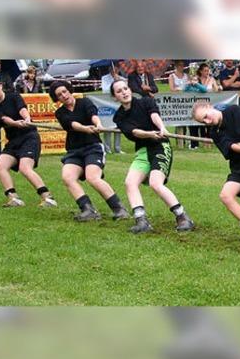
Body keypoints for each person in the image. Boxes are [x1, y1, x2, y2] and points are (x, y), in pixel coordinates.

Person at [110, 79, 194, 234]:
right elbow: (133, 132)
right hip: (143, 149)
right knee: (130, 182)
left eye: (125, 88)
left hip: (160, 145)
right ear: (115, 97)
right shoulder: (119, 117)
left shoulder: (146, 102)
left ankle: (183, 217)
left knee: (156, 183)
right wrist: (149, 134)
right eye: (119, 91)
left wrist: (161, 128)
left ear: (130, 90)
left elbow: (154, 115)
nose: (124, 92)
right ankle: (141, 221)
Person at [191, 100, 240, 247]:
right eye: (204, 121)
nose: (208, 121)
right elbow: (231, 146)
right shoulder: (214, 132)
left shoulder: (234, 111)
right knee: (226, 195)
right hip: (238, 167)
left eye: (206, 116)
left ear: (210, 106)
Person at [50, 80, 129, 222]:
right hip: (74, 150)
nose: (63, 95)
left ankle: (119, 209)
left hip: (92, 147)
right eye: (59, 95)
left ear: (69, 90)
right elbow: (72, 124)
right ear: (57, 99)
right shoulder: (60, 113)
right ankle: (88, 210)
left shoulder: (84, 102)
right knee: (68, 177)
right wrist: (85, 129)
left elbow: (92, 114)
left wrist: (97, 124)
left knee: (92, 177)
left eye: (64, 91)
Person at [0, 78, 57, 208]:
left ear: (0, 85)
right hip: (13, 141)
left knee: (25, 168)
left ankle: (48, 198)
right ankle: (13, 198)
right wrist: (16, 123)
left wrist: (26, 118)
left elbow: (22, 108)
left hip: (29, 137)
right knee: (0, 165)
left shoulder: (14, 96)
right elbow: (4, 119)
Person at [100, 63, 124, 154]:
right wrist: (113, 82)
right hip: (108, 105)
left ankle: (117, 148)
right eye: (113, 68)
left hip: (118, 105)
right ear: (110, 69)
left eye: (117, 68)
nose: (115, 70)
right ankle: (107, 148)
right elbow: (105, 90)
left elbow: (126, 89)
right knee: (108, 126)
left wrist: (118, 80)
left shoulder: (121, 78)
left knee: (118, 126)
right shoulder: (104, 78)